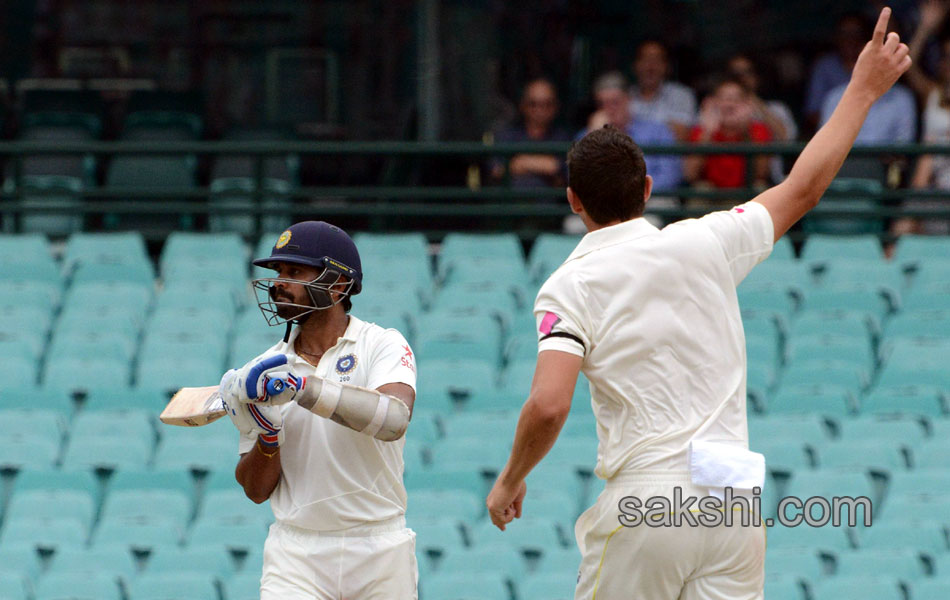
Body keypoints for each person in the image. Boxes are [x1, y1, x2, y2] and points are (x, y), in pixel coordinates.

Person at [486, 8, 909, 599]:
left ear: (574, 200)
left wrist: (510, 478)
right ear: (649, 189)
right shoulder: (707, 238)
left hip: (651, 495)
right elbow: (804, 187)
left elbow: (550, 404)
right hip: (733, 495)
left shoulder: (570, 283)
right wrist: (863, 90)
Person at [218, 220, 419, 599]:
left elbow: (393, 420)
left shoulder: (382, 345)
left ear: (338, 285)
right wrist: (268, 435)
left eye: (294, 271)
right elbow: (256, 490)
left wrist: (303, 388)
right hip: (297, 553)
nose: (279, 281)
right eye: (278, 271)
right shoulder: (264, 368)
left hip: (378, 547)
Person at [894, 0, 950, 235]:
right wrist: (924, 29)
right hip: (930, 189)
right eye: (946, 57)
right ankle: (888, 265)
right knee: (906, 219)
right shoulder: (933, 94)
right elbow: (908, 67)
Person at [583, 71, 681, 193]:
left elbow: (670, 176)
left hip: (648, 199)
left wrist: (631, 193)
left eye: (615, 102)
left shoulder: (657, 131)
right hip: (602, 202)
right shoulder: (587, 134)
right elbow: (576, 179)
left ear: (629, 99)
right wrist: (594, 137)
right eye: (602, 104)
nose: (609, 109)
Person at [685, 77, 773, 191]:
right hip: (713, 193)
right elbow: (690, 174)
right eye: (724, 98)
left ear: (747, 104)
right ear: (712, 102)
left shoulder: (758, 129)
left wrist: (745, 131)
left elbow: (761, 173)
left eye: (736, 99)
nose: (730, 105)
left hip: (744, 192)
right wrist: (707, 134)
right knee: (701, 189)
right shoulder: (702, 130)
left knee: (759, 188)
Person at [727, 53, 800, 183]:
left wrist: (756, 104)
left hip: (768, 181)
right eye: (735, 74)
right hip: (725, 181)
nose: (741, 78)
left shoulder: (776, 108)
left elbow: (787, 138)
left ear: (757, 76)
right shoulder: (716, 107)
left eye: (747, 72)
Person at [490, 78, 572, 188]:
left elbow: (564, 173)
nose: (540, 110)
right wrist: (544, 166)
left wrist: (521, 162)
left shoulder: (563, 137)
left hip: (548, 203)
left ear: (556, 107)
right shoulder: (507, 135)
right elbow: (497, 170)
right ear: (523, 106)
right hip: (513, 202)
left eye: (547, 104)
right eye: (533, 104)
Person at [803, 13, 872, 130]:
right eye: (844, 34)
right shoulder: (825, 66)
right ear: (836, 37)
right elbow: (813, 114)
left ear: (865, 37)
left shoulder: (875, 64)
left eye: (856, 33)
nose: (850, 39)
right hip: (834, 133)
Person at [628, 40, 698, 141]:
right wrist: (665, 127)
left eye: (657, 60)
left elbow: (681, 136)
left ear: (667, 66)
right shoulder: (625, 97)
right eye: (645, 60)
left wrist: (634, 129)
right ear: (635, 65)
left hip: (669, 156)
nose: (650, 67)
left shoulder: (682, 95)